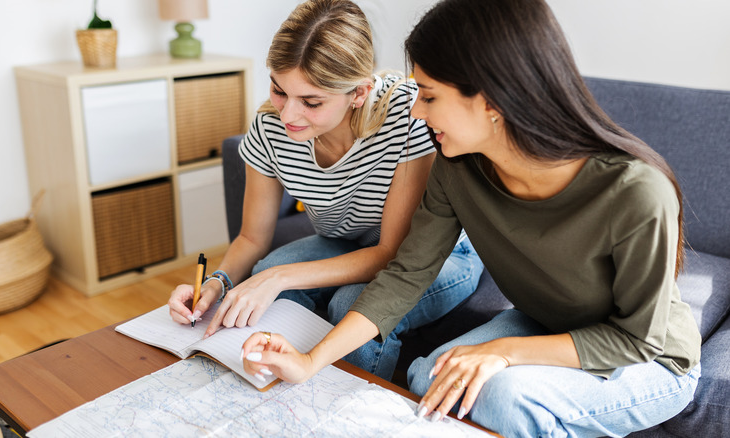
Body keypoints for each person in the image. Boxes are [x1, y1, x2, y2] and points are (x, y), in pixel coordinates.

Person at [239, 0, 702, 436]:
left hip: (648, 357)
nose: (415, 111)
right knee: (431, 379)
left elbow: (639, 340)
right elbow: (405, 276)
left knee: (498, 396)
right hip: (545, 323)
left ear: (491, 102)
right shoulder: (456, 167)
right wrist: (309, 362)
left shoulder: (635, 191)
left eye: (429, 95)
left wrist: (502, 352)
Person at [167, 0, 483, 381]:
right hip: (346, 241)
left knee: (349, 303)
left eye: (311, 102)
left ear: (359, 93)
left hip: (435, 255)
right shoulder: (270, 128)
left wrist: (280, 277)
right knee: (262, 275)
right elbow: (251, 237)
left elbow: (392, 254)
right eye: (279, 90)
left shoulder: (405, 117)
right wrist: (218, 284)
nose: (287, 115)